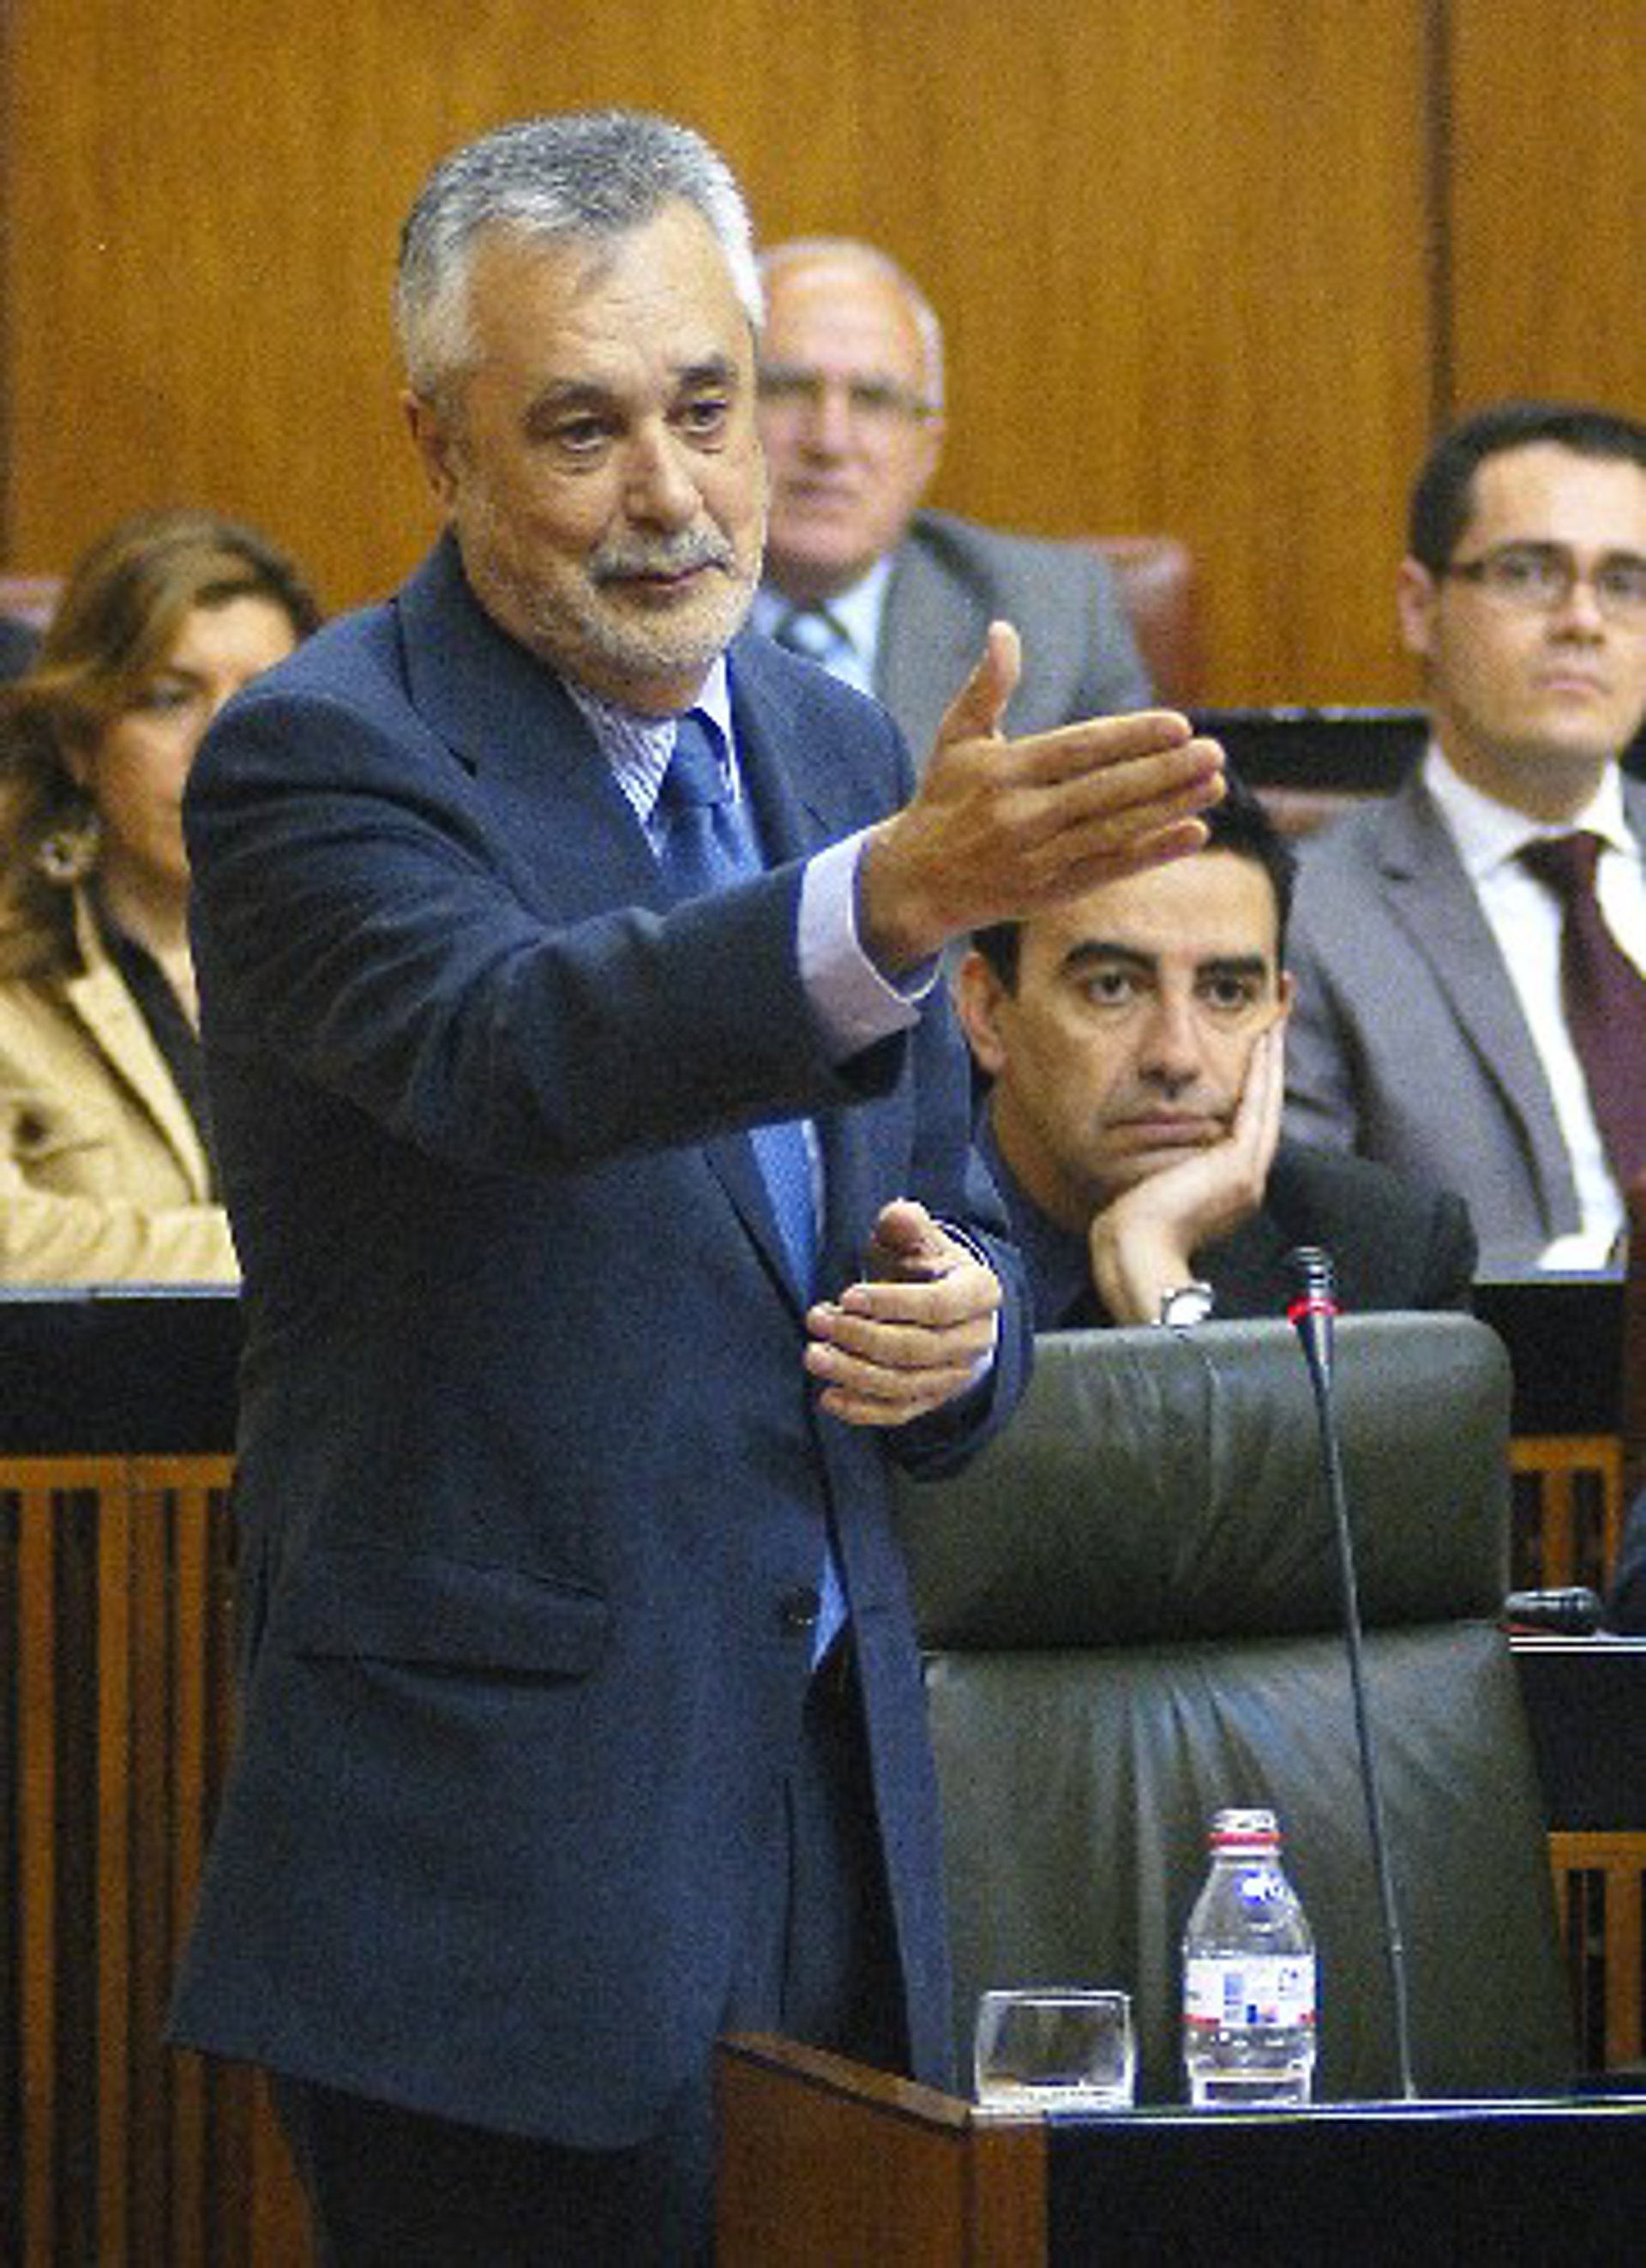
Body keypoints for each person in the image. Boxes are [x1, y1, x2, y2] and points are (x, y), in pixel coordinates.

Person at [165, 110, 1222, 2263]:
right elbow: (516, 1047)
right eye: (583, 428)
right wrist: (888, 901)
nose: (672, 492)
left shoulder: (836, 754)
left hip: (842, 1816)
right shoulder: (318, 754)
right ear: (439, 445)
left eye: (707, 407)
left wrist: (968, 1327)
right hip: (496, 1876)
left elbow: (947, 1201)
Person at [1284, 400, 1646, 1272]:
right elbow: (1308, 1250)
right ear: (1420, 606)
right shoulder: (1305, 917)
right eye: (1528, 573)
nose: (1583, 620)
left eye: (1626, 582)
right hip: (1500, 1359)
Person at [954, 771, 1475, 1328]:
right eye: (1111, 987)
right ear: (987, 1012)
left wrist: (1154, 1269)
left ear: (1279, 1012)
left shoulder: (1382, 1256)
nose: (1176, 1057)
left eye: (1227, 993)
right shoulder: (897, 1242)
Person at [0, 508, 319, 1281]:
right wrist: (296, 1259)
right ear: (80, 741)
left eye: (265, 702)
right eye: (170, 699)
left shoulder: (362, 955)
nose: (224, 745)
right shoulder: (13, 970)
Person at [750, 236, 1154, 762]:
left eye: (874, 400)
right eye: (785, 389)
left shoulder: (1058, 616)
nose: (829, 441)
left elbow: (1139, 809)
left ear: (928, 449)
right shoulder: (652, 610)